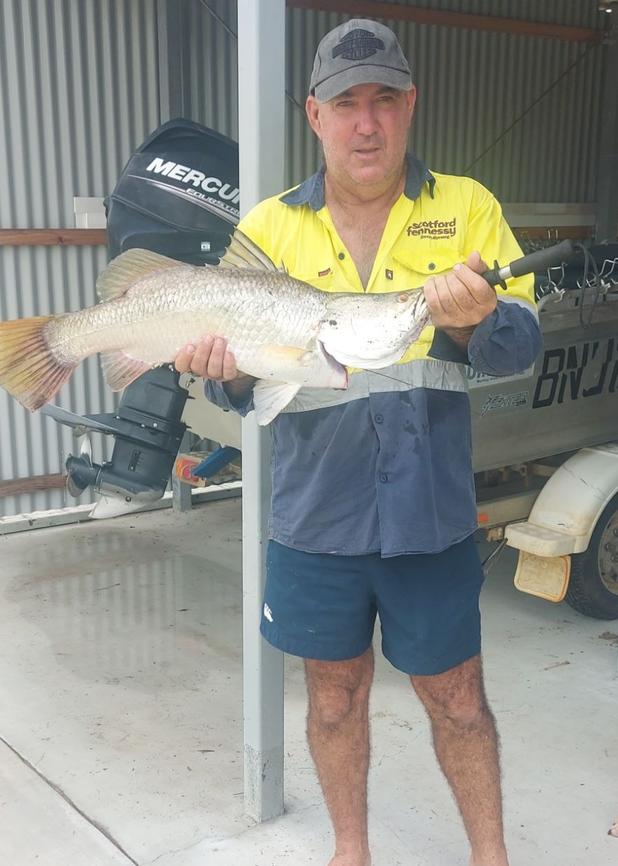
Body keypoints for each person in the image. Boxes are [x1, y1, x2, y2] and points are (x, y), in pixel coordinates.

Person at [175, 18, 541, 866]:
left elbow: (522, 350)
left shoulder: (468, 208)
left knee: (457, 701)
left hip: (431, 515)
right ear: (315, 114)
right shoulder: (266, 230)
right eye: (346, 104)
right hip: (315, 518)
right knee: (334, 699)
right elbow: (239, 384)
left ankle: (491, 855)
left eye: (383, 100)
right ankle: (351, 850)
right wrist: (215, 370)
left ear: (411, 106)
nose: (366, 123)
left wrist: (482, 319)